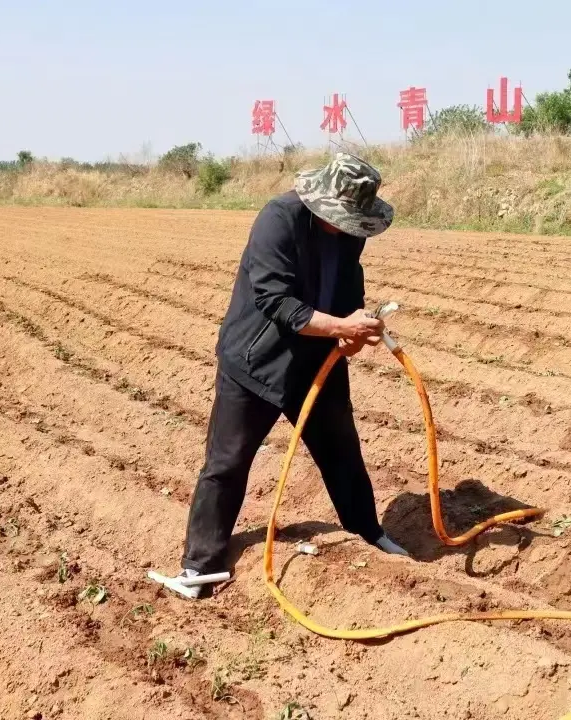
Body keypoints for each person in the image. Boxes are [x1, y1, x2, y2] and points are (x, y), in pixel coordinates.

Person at [175, 153, 409, 596]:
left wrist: (354, 328)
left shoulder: (349, 233)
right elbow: (274, 300)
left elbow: (346, 289)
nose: (349, 228)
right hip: (256, 361)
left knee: (342, 452)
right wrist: (339, 327)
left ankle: (367, 533)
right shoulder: (278, 219)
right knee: (227, 462)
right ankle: (200, 566)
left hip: (317, 361)